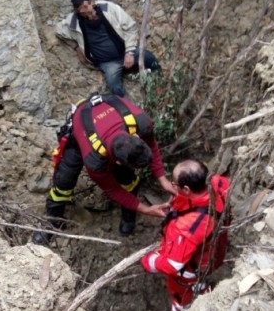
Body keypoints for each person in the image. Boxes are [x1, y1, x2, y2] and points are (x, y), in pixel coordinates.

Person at [32, 92, 175, 245]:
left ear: (137, 137)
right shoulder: (94, 160)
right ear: (118, 163)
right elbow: (112, 190)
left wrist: (163, 181)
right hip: (80, 130)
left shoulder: (141, 122)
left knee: (128, 180)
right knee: (63, 182)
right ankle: (53, 222)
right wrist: (146, 209)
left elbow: (151, 145)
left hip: (106, 114)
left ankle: (128, 214)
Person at [141, 160, 230, 311]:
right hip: (212, 253)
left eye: (174, 184)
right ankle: (203, 290)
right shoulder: (219, 183)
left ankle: (184, 307)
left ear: (186, 189)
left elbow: (173, 264)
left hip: (190, 269)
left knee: (180, 294)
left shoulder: (186, 228)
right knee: (199, 279)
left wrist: (149, 261)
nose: (172, 186)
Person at [55, 0, 161, 97]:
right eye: (83, 8)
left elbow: (131, 27)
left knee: (149, 58)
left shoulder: (109, 8)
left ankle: (160, 85)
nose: (88, 10)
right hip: (108, 62)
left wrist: (129, 52)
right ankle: (126, 106)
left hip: (125, 52)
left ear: (92, 0)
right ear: (77, 10)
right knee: (114, 86)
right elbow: (59, 31)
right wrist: (76, 47)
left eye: (89, 5)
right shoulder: (73, 21)